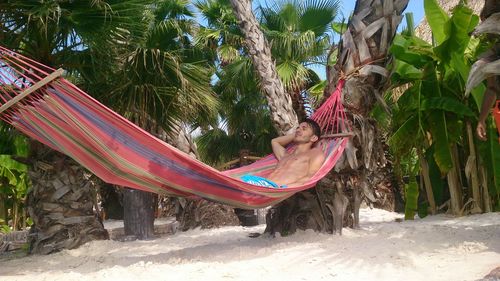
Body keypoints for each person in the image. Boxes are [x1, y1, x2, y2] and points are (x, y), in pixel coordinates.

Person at [241, 119, 325, 188]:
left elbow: (311, 178)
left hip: (278, 189)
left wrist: (286, 188)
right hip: (264, 185)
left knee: (237, 182)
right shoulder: (285, 155)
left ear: (313, 137)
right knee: (237, 179)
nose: (298, 130)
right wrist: (296, 135)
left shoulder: (315, 153)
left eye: (304, 128)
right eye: (298, 128)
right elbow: (274, 142)